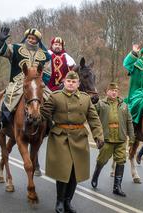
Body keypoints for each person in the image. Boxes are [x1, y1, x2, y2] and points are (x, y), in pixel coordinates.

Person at [40, 71, 104, 213]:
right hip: (60, 138)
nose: (71, 84)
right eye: (68, 81)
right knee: (64, 171)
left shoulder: (86, 99)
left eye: (74, 82)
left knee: (75, 172)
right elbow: (44, 112)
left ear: (78, 84)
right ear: (64, 82)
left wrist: (98, 136)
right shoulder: (55, 97)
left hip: (79, 138)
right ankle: (60, 201)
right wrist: (51, 125)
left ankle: (68, 201)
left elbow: (93, 119)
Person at [0, 26, 51, 131]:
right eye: (29, 37)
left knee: (51, 98)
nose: (31, 40)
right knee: (9, 95)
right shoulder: (15, 48)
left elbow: (47, 71)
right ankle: (3, 121)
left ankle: (51, 124)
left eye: (33, 38)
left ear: (38, 40)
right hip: (18, 82)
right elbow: (3, 51)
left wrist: (41, 83)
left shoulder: (45, 55)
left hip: (38, 83)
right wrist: (0, 42)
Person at [91, 82, 135, 197]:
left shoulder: (124, 105)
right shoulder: (101, 104)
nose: (114, 92)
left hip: (121, 139)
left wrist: (132, 138)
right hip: (106, 139)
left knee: (121, 161)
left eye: (116, 91)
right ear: (107, 92)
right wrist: (97, 135)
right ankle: (96, 175)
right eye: (111, 90)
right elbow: (92, 116)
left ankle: (117, 187)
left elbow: (129, 122)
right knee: (102, 160)